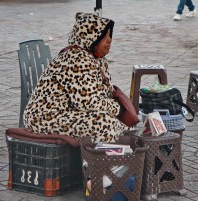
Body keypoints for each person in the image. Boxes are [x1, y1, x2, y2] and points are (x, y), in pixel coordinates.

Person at [23, 12, 128, 143]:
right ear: (91, 37)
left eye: (110, 35)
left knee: (112, 119)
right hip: (44, 118)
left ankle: (115, 152)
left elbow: (101, 95)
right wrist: (116, 107)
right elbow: (87, 102)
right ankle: (98, 161)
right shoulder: (77, 58)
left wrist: (114, 108)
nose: (109, 40)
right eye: (104, 36)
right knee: (102, 122)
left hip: (68, 112)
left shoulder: (97, 59)